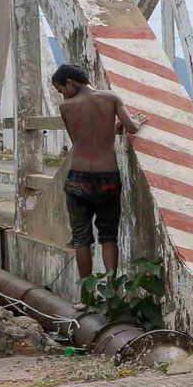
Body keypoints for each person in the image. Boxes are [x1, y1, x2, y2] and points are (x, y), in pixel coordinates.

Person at [50, 63, 146, 280]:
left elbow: (79, 140)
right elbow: (131, 128)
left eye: (60, 90)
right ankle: (111, 295)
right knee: (108, 237)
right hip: (107, 179)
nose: (62, 95)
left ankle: (86, 297)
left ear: (70, 83)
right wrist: (136, 122)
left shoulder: (66, 107)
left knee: (81, 240)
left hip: (78, 179)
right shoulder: (110, 98)